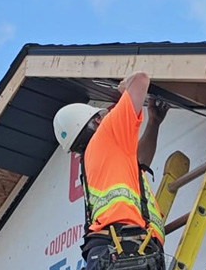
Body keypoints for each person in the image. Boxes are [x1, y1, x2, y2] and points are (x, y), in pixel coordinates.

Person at [52, 71, 169, 270]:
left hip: (114, 252)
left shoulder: (98, 157)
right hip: (123, 248)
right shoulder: (106, 134)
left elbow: (137, 163)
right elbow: (141, 80)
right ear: (97, 121)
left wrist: (154, 123)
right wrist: (125, 89)